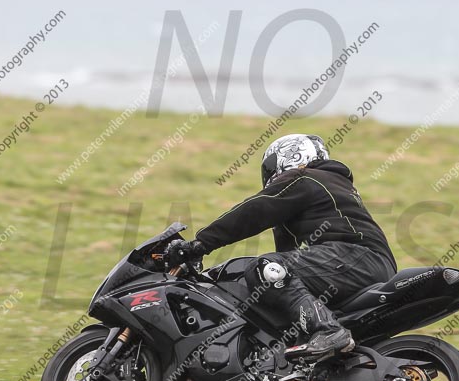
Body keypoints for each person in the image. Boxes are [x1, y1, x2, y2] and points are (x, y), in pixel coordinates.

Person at [169, 134, 397, 361]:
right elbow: (286, 256)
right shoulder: (325, 186)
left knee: (265, 266)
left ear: (289, 157)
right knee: (277, 275)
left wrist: (200, 244)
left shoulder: (305, 178)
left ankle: (329, 331)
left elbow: (254, 211)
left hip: (355, 258)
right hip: (364, 264)